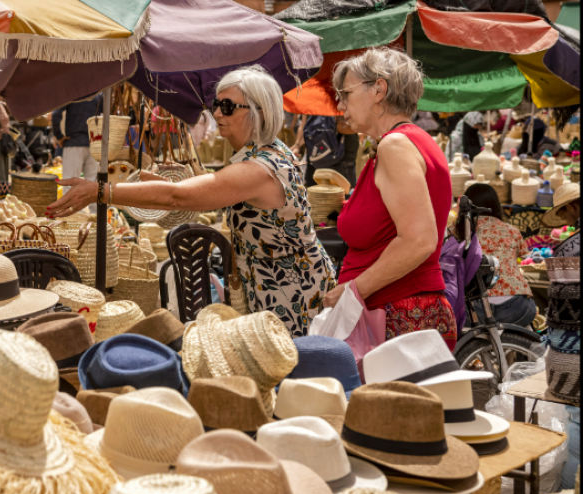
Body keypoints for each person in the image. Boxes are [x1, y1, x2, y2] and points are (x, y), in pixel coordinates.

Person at [49, 66, 336, 337]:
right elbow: (201, 190)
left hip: (290, 288)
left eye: (228, 106)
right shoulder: (272, 151)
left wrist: (100, 191)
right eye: (217, 105)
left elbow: (179, 197)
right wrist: (167, 184)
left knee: (289, 368)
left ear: (260, 112)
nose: (218, 113)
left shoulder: (258, 169)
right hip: (285, 278)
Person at [322, 48, 457, 347]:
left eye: (345, 92)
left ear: (379, 90)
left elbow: (418, 240)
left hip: (398, 314)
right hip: (403, 312)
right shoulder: (410, 141)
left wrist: (352, 290)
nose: (340, 103)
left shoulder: (395, 145)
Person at [455, 183, 536, 328]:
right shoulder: (511, 230)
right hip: (517, 308)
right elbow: (525, 256)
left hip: (476, 310)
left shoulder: (458, 231)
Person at [52, 96, 99, 210]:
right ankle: (94, 219)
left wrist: (59, 136)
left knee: (69, 183)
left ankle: (70, 219)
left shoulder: (73, 93)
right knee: (92, 184)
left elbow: (55, 115)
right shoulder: (98, 95)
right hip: (94, 142)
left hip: (74, 143)